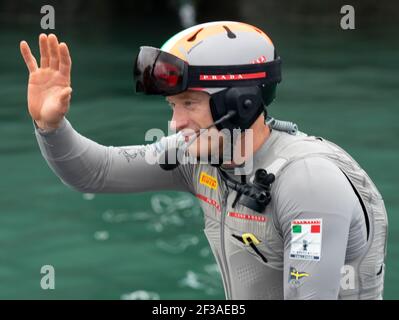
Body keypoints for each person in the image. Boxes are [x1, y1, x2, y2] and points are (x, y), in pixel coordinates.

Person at [20, 21, 388, 300]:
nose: (176, 123)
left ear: (240, 103)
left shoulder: (308, 184)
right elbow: (94, 172)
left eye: (189, 104)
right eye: (172, 105)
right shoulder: (197, 155)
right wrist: (50, 125)